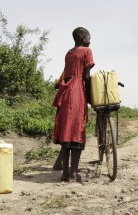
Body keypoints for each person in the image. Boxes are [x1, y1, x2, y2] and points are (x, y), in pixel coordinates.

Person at [52, 27, 94, 182]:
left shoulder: (68, 53)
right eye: (89, 37)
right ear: (82, 38)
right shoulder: (86, 51)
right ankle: (74, 174)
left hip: (65, 91)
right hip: (77, 91)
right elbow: (87, 76)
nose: (90, 40)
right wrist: (90, 96)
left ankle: (64, 174)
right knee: (77, 129)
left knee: (66, 130)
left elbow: (67, 73)